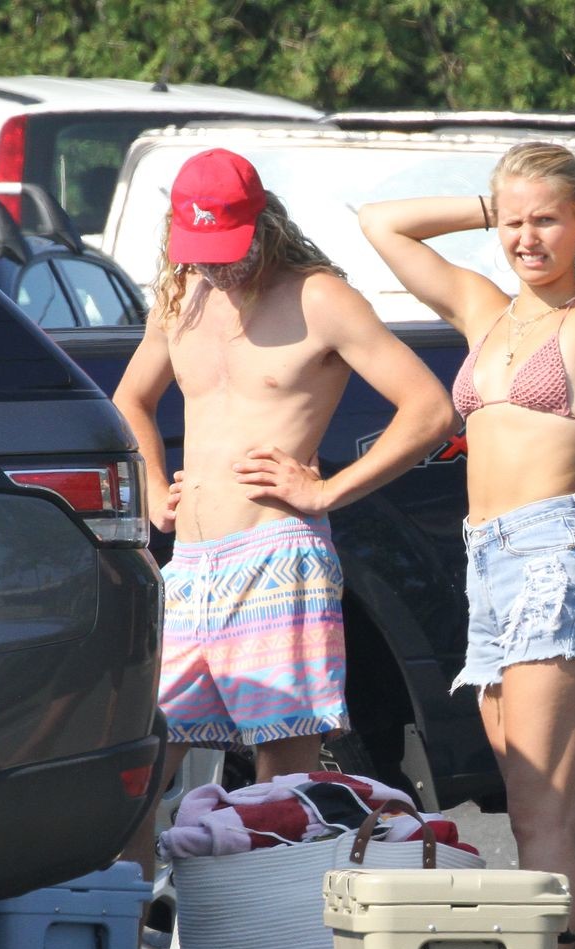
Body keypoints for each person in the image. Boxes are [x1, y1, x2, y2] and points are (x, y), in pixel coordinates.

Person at [318, 142, 575, 949]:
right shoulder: (485, 308)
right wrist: (496, 207)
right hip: (487, 563)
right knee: (548, 811)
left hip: (556, 554)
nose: (525, 237)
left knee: (539, 810)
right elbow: (382, 225)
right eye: (512, 222)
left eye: (545, 220)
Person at [113, 148, 456, 872]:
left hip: (276, 557)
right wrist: (153, 489)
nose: (217, 267)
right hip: (193, 568)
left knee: (281, 783)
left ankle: (272, 932)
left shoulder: (319, 297)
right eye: (200, 249)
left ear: (264, 222)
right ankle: (132, 935)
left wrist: (328, 490)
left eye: (228, 249)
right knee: (144, 765)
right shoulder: (182, 295)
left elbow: (430, 409)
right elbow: (130, 399)